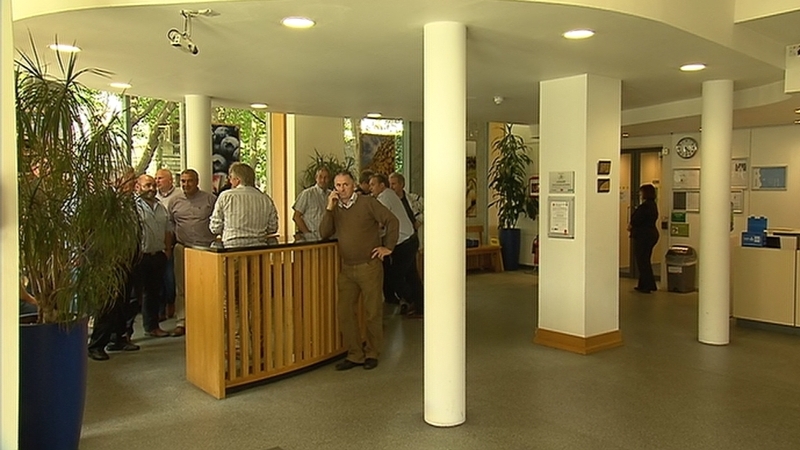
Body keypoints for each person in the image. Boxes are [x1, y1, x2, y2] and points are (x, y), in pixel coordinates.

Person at [319, 171, 398, 371]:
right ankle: (355, 354)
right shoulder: (335, 209)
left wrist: (388, 247)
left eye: (345, 184)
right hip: (347, 267)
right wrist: (329, 208)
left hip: (369, 266)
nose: (341, 189)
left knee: (373, 312)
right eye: (337, 185)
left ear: (353, 185)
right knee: (345, 312)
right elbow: (324, 232)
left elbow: (392, 221)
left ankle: (372, 352)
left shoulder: (367, 203)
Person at [88, 168, 141, 361]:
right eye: (130, 181)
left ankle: (118, 338)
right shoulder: (105, 203)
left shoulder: (130, 203)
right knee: (107, 305)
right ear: (117, 181)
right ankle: (96, 344)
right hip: (108, 262)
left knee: (125, 303)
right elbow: (94, 233)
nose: (134, 184)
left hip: (128, 260)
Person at [168, 169, 217, 337]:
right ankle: (182, 321)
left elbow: (218, 222)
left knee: (207, 286)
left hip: (206, 249)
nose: (185, 185)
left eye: (189, 181)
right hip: (183, 248)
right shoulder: (174, 202)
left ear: (197, 181)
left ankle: (206, 319)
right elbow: (170, 225)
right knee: (182, 286)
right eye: (183, 181)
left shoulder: (210, 199)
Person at [370, 173, 424, 318]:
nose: (371, 188)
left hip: (404, 242)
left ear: (382, 185)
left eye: (373, 184)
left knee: (395, 276)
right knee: (412, 276)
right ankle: (420, 306)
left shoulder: (384, 198)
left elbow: (380, 222)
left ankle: (411, 300)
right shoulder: (389, 195)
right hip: (409, 239)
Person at [132, 174, 173, 337]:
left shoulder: (160, 206)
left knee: (154, 294)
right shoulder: (133, 206)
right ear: (138, 187)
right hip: (140, 256)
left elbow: (168, 229)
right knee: (134, 296)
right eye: (147, 185)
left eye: (153, 186)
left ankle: (152, 327)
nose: (151, 189)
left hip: (157, 255)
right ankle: (124, 334)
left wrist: (167, 250)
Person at [209, 162, 278, 248]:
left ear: (237, 180)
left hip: (232, 249)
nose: (229, 181)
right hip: (259, 249)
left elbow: (215, 227)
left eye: (230, 177)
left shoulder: (226, 196)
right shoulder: (266, 199)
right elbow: (273, 228)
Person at [155, 168, 178, 321]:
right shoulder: (153, 197)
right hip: (155, 244)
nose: (157, 181)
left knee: (171, 279)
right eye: (156, 178)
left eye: (160, 178)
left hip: (172, 241)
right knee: (158, 280)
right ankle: (160, 311)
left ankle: (172, 304)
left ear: (170, 180)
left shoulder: (179, 196)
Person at [628, 184, 659, 293]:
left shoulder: (644, 207)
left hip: (643, 236)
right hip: (650, 235)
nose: (640, 194)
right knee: (644, 260)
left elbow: (636, 220)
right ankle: (643, 284)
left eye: (641, 192)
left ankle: (648, 285)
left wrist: (631, 225)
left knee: (642, 261)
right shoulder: (653, 205)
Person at [292, 167, 331, 241]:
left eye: (326, 177)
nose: (323, 180)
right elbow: (296, 217)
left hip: (327, 239)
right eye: (320, 177)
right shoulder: (307, 194)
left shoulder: (331, 195)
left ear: (329, 179)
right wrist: (307, 234)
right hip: (310, 239)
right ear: (316, 178)